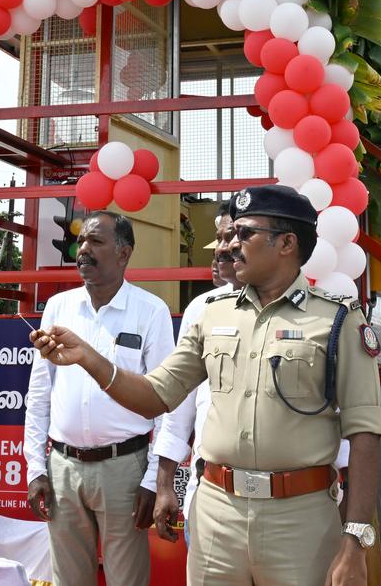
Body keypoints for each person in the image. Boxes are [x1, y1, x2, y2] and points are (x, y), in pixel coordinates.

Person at [32, 185, 381, 585]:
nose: (231, 246)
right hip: (218, 514)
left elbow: (366, 435)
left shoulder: (338, 321)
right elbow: (155, 396)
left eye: (245, 234)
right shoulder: (211, 314)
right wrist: (88, 358)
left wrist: (356, 538)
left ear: (287, 243)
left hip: (300, 518)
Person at [23, 211, 174, 586]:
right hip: (62, 466)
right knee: (68, 580)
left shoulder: (150, 311)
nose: (83, 250)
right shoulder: (59, 307)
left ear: (124, 253)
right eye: (82, 241)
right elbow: (39, 394)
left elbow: (168, 402)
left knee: (126, 579)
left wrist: (152, 480)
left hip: (125, 468)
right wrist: (36, 469)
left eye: (96, 242)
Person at [152, 202, 240, 543]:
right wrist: (163, 486)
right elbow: (177, 409)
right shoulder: (202, 309)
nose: (219, 249)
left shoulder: (314, 315)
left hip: (286, 512)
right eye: (218, 238)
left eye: (231, 236)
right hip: (208, 500)